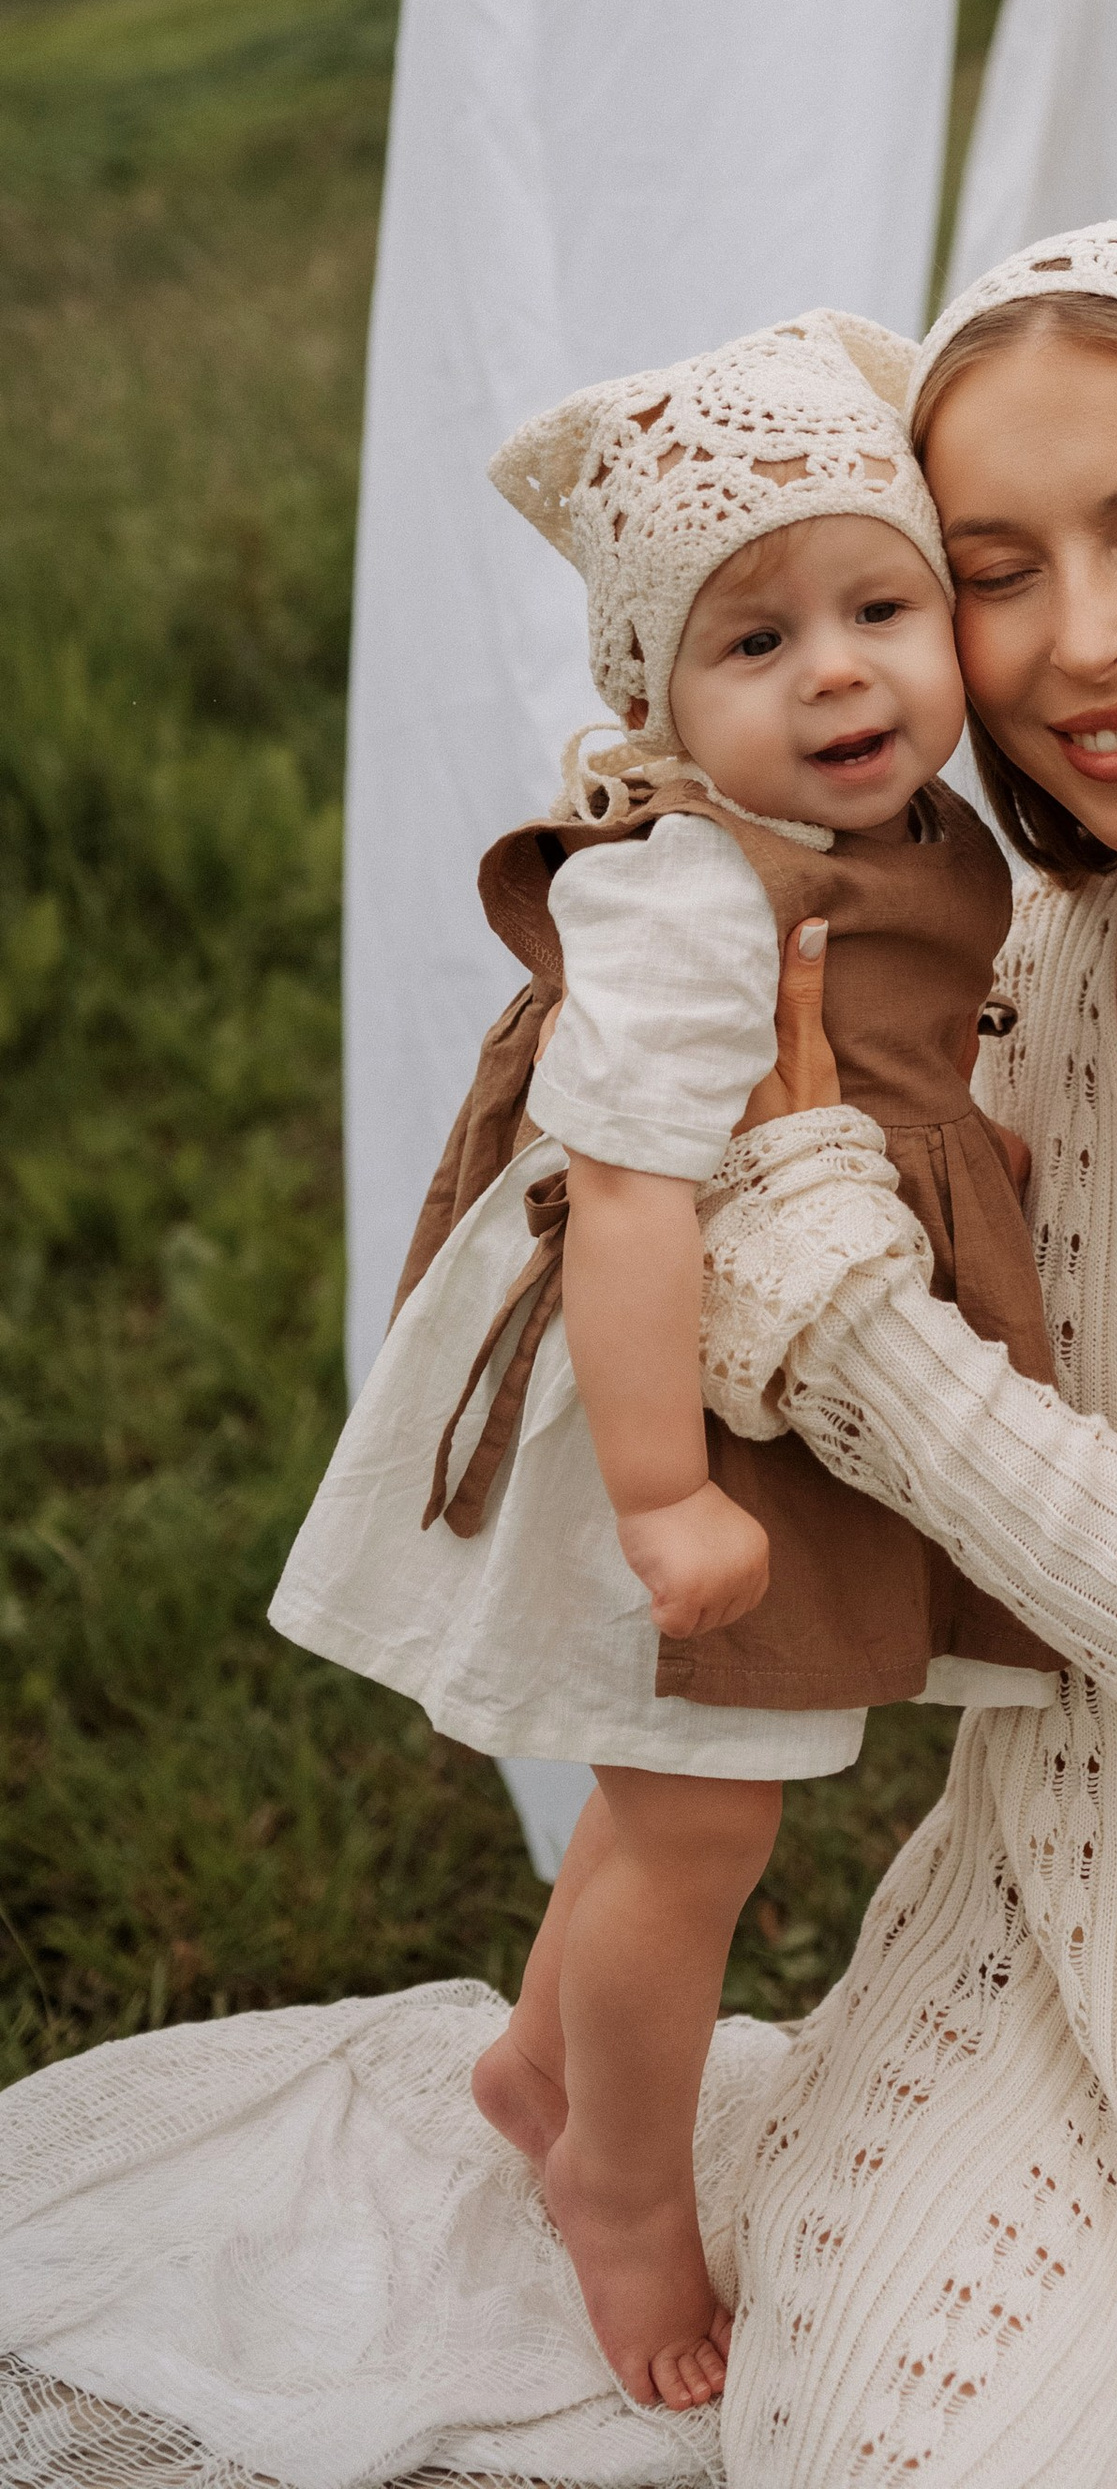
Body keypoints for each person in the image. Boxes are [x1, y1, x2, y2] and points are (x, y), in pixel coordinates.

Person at [0, 223, 1117, 2489]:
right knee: (890, 2427)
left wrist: (829, 1286)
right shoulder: (1025, 965)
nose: (1080, 641)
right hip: (1058, 1940)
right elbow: (713, 1271)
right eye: (995, 569)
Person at [268, 308, 1054, 2413]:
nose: (836, 673)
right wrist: (660, 1491)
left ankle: (541, 2073)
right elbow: (619, 1195)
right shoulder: (695, 895)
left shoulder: (907, 842)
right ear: (653, 701)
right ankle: (618, 2185)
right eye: (754, 641)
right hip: (682, 1398)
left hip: (775, 1364)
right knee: (691, 1828)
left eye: (881, 606)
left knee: (671, 1809)